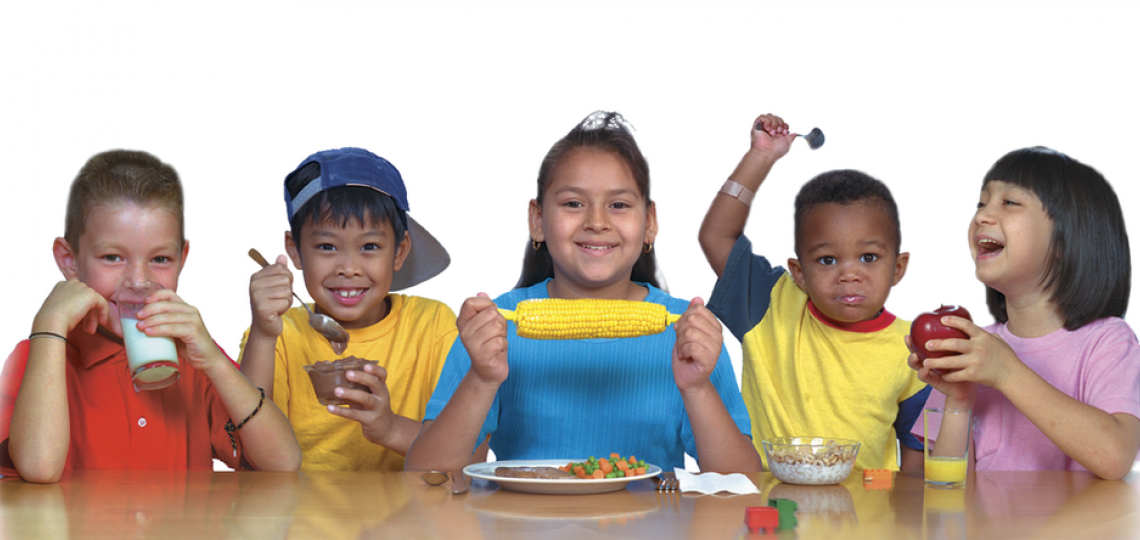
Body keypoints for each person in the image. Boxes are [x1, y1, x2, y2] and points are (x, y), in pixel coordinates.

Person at [404, 112, 759, 473]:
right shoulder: (492, 326)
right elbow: (427, 476)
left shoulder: (688, 331)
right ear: (538, 221)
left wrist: (697, 387)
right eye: (573, 203)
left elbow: (742, 482)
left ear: (649, 223)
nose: (597, 222)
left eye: (618, 205)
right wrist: (481, 379)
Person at [0, 150, 301, 483]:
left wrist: (216, 362)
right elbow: (38, 467)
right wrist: (49, 327)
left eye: (159, 259)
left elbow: (282, 461)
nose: (139, 282)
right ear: (70, 260)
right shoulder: (39, 355)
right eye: (112, 257)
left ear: (182, 258)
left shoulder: (195, 356)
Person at [698, 114, 930, 472]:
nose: (849, 274)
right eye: (827, 260)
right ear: (799, 274)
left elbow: (918, 461)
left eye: (869, 257)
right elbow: (716, 236)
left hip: (864, 525)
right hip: (772, 521)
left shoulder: (914, 348)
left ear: (897, 268)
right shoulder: (770, 303)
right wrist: (760, 157)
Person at [909, 147, 1140, 480]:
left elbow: (1115, 457)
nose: (981, 217)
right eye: (981, 203)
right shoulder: (973, 349)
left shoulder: (1109, 341)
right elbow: (948, 489)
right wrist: (959, 399)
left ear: (1065, 239)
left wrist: (1006, 373)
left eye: (1010, 202)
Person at [239, 147, 457, 471]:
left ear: (399, 252)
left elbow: (462, 456)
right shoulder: (277, 334)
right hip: (299, 518)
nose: (349, 268)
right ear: (295, 251)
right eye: (327, 247)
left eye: (370, 246)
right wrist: (262, 334)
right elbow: (250, 455)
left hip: (408, 519)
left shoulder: (433, 327)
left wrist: (389, 428)